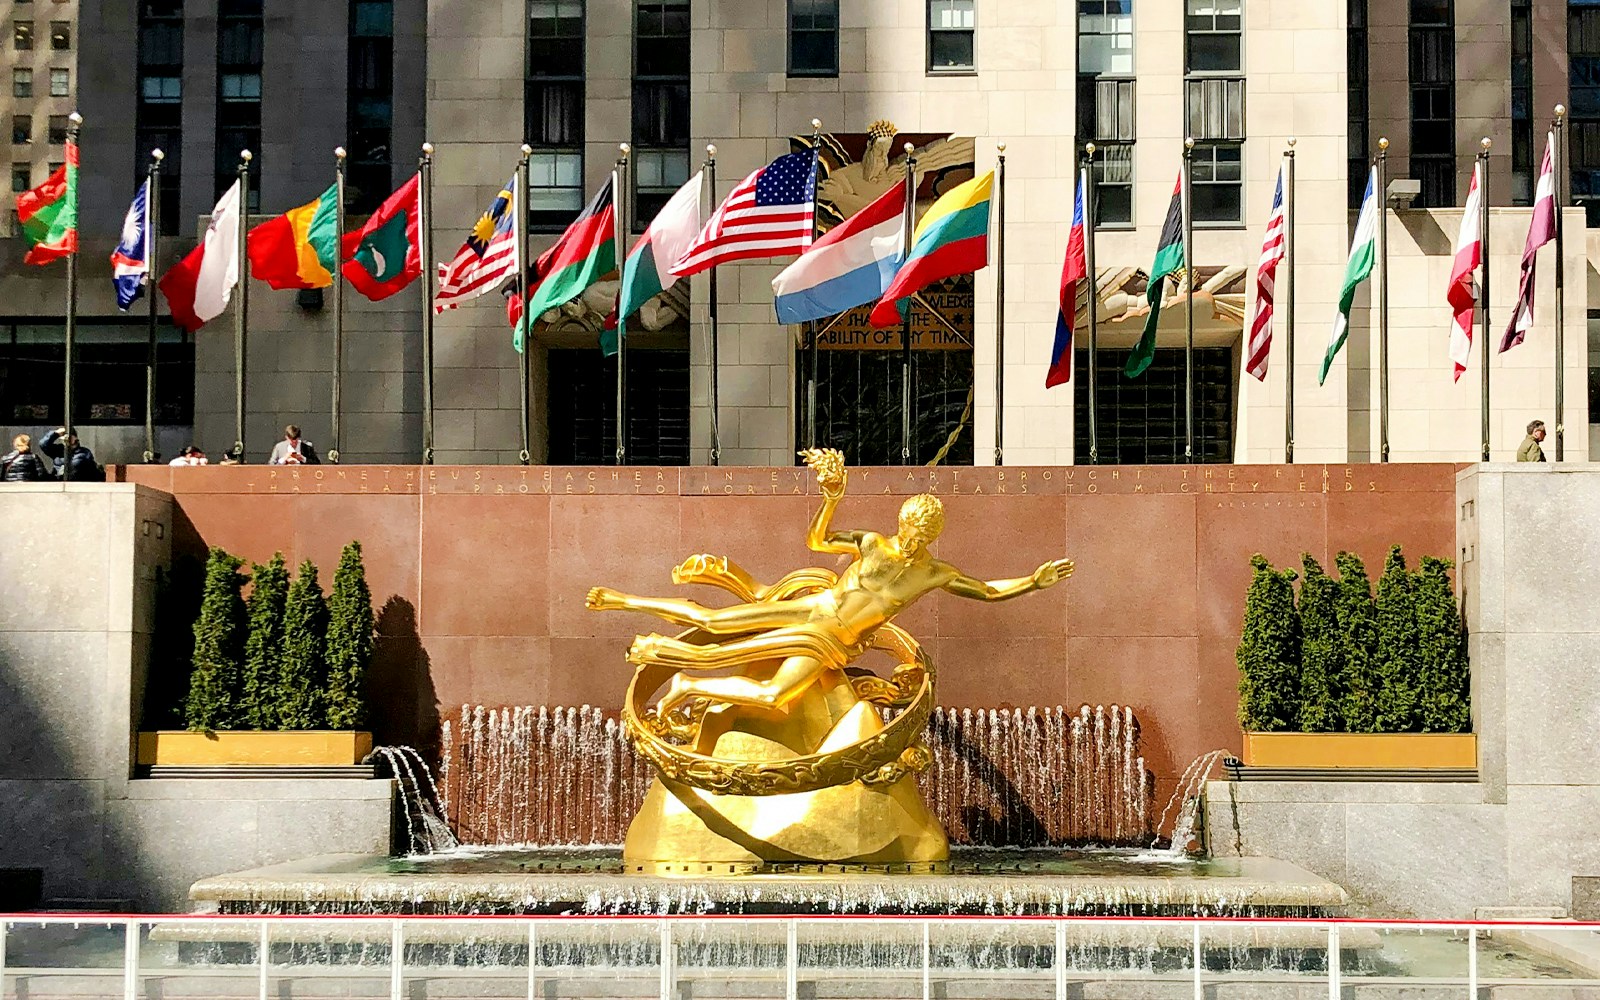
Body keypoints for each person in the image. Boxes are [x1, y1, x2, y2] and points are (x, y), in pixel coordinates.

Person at [587, 447, 1073, 716]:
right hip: (814, 608)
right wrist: (832, 498)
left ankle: (689, 682)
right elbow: (818, 541)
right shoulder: (871, 543)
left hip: (834, 642)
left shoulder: (934, 573)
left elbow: (987, 591)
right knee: (715, 621)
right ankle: (624, 599)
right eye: (908, 528)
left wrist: (1033, 580)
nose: (911, 538)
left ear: (933, 536)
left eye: (923, 534)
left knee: (775, 696)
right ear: (900, 523)